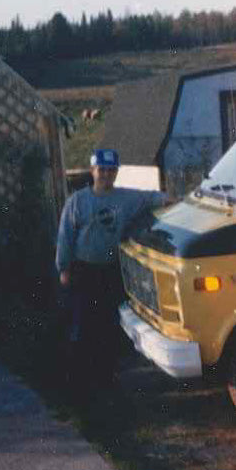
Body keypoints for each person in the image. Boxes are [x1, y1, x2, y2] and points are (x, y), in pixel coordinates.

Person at [56, 149, 166, 384]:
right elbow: (65, 236)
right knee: (82, 321)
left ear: (116, 172)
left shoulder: (125, 198)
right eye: (101, 170)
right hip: (83, 270)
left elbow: (151, 199)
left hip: (111, 269)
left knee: (110, 322)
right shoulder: (78, 201)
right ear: (92, 171)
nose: (106, 174)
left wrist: (174, 199)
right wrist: (63, 267)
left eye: (110, 170)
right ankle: (79, 376)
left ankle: (108, 374)